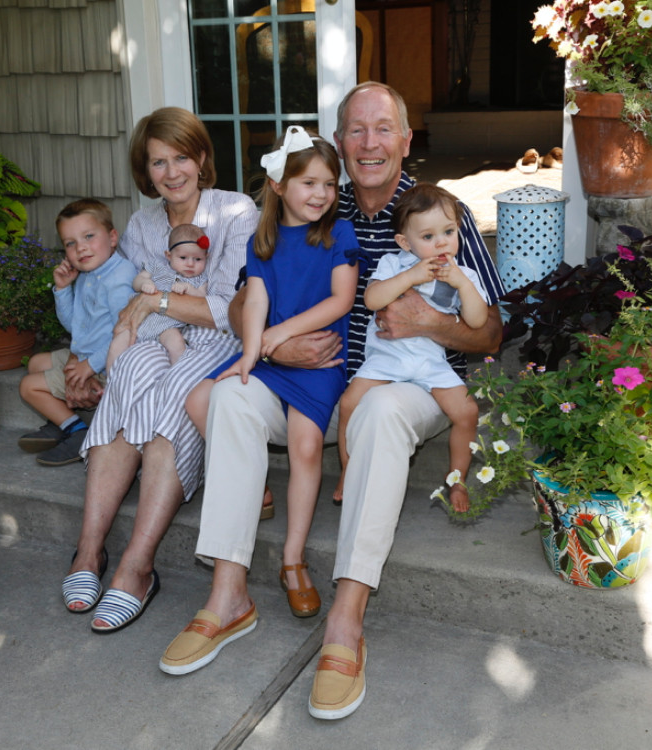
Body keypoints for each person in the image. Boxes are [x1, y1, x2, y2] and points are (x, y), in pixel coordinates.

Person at [156, 83, 505, 720]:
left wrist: (429, 322)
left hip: (406, 382)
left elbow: (494, 331)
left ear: (405, 139)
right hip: (307, 382)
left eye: (383, 130)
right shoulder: (315, 198)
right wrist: (274, 347)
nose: (369, 143)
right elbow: (242, 298)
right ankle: (228, 595)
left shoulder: (439, 212)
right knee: (230, 399)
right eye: (356, 130)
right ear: (341, 143)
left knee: (377, 412)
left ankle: (347, 617)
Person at [58, 107, 258, 634]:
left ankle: (137, 566)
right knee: (128, 376)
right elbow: (126, 303)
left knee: (174, 388)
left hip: (222, 340)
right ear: (145, 172)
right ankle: (89, 550)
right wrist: (93, 354)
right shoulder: (143, 225)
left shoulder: (236, 211)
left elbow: (226, 309)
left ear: (202, 158)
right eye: (157, 163)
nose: (171, 173)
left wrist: (157, 303)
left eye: (180, 158)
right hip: (160, 333)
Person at [163, 129, 356, 674]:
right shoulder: (262, 243)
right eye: (308, 182)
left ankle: (292, 559)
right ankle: (231, 588)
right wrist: (253, 351)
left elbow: (341, 299)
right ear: (278, 184)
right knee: (215, 395)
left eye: (328, 183)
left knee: (306, 440)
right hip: (273, 358)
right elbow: (256, 302)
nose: (320, 193)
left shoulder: (338, 234)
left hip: (319, 364)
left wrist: (277, 337)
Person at [334, 183, 488, 512]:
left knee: (468, 412)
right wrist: (411, 276)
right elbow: (371, 299)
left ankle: (456, 479)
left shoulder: (463, 274)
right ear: (406, 242)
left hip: (429, 364)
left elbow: (477, 321)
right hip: (387, 359)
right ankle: (348, 469)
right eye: (428, 236)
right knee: (348, 404)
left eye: (448, 231)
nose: (441, 242)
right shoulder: (395, 263)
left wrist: (461, 283)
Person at [16, 199, 137, 467]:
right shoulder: (88, 275)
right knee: (36, 363)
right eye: (70, 243)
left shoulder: (119, 279)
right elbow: (75, 326)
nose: (80, 247)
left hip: (106, 366)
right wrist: (62, 289)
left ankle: (77, 432)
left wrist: (89, 366)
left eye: (89, 236)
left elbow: (127, 334)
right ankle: (61, 419)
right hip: (85, 354)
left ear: (113, 237)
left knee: (28, 387)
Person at [107, 223, 210, 370]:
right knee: (116, 345)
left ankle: (176, 378)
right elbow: (136, 281)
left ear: (206, 257)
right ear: (169, 255)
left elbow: (202, 299)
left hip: (168, 326)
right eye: (183, 257)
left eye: (198, 259)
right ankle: (111, 380)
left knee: (177, 345)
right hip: (140, 320)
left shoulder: (199, 279)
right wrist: (144, 283)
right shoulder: (156, 266)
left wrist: (189, 289)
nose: (190, 264)